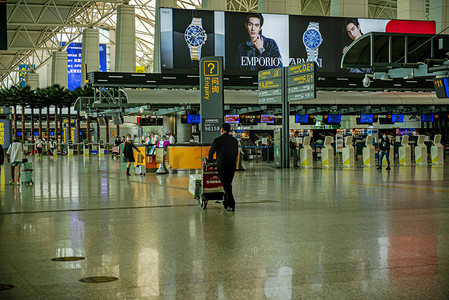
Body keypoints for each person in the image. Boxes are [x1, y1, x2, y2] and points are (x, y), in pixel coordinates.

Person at [208, 123, 239, 212]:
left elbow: (211, 152)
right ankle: (226, 203)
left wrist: (211, 162)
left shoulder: (218, 140)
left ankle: (231, 204)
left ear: (222, 130)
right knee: (228, 184)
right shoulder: (234, 140)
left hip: (222, 166)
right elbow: (236, 153)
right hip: (232, 165)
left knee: (226, 185)